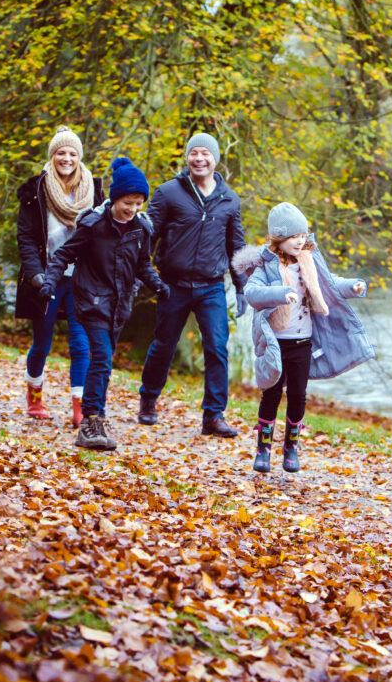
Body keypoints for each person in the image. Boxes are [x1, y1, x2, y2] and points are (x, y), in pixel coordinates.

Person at [231, 201, 375, 473]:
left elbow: (330, 283)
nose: (300, 241)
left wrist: (353, 287)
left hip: (302, 342)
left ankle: (291, 447)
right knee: (272, 393)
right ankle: (263, 448)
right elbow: (251, 293)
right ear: (279, 238)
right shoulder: (265, 266)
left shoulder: (309, 262)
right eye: (293, 236)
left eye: (302, 236)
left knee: (298, 394)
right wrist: (279, 293)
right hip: (275, 342)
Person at [39, 157, 170, 451]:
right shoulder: (93, 224)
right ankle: (90, 422)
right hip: (90, 301)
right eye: (128, 202)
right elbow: (63, 255)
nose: (133, 209)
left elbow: (142, 266)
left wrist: (159, 285)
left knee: (104, 362)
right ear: (115, 197)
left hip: (119, 307)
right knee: (101, 357)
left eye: (139, 203)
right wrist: (49, 282)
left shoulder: (141, 229)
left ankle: (96, 416)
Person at [137, 132, 247, 437]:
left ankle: (213, 414)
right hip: (174, 284)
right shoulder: (168, 193)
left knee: (217, 348)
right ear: (187, 158)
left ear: (215, 159)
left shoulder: (229, 199)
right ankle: (148, 399)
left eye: (205, 154)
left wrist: (240, 287)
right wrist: (144, 275)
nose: (199, 159)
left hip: (211, 286)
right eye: (194, 153)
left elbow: (236, 246)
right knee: (164, 345)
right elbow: (148, 235)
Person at [15, 125, 105, 428]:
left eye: (72, 153)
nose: (66, 158)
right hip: (47, 277)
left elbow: (102, 235)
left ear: (79, 157)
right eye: (61, 152)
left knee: (82, 345)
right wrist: (36, 276)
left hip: (81, 279)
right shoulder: (35, 191)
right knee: (43, 342)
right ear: (53, 156)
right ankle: (35, 396)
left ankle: (80, 408)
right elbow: (26, 238)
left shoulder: (93, 191)